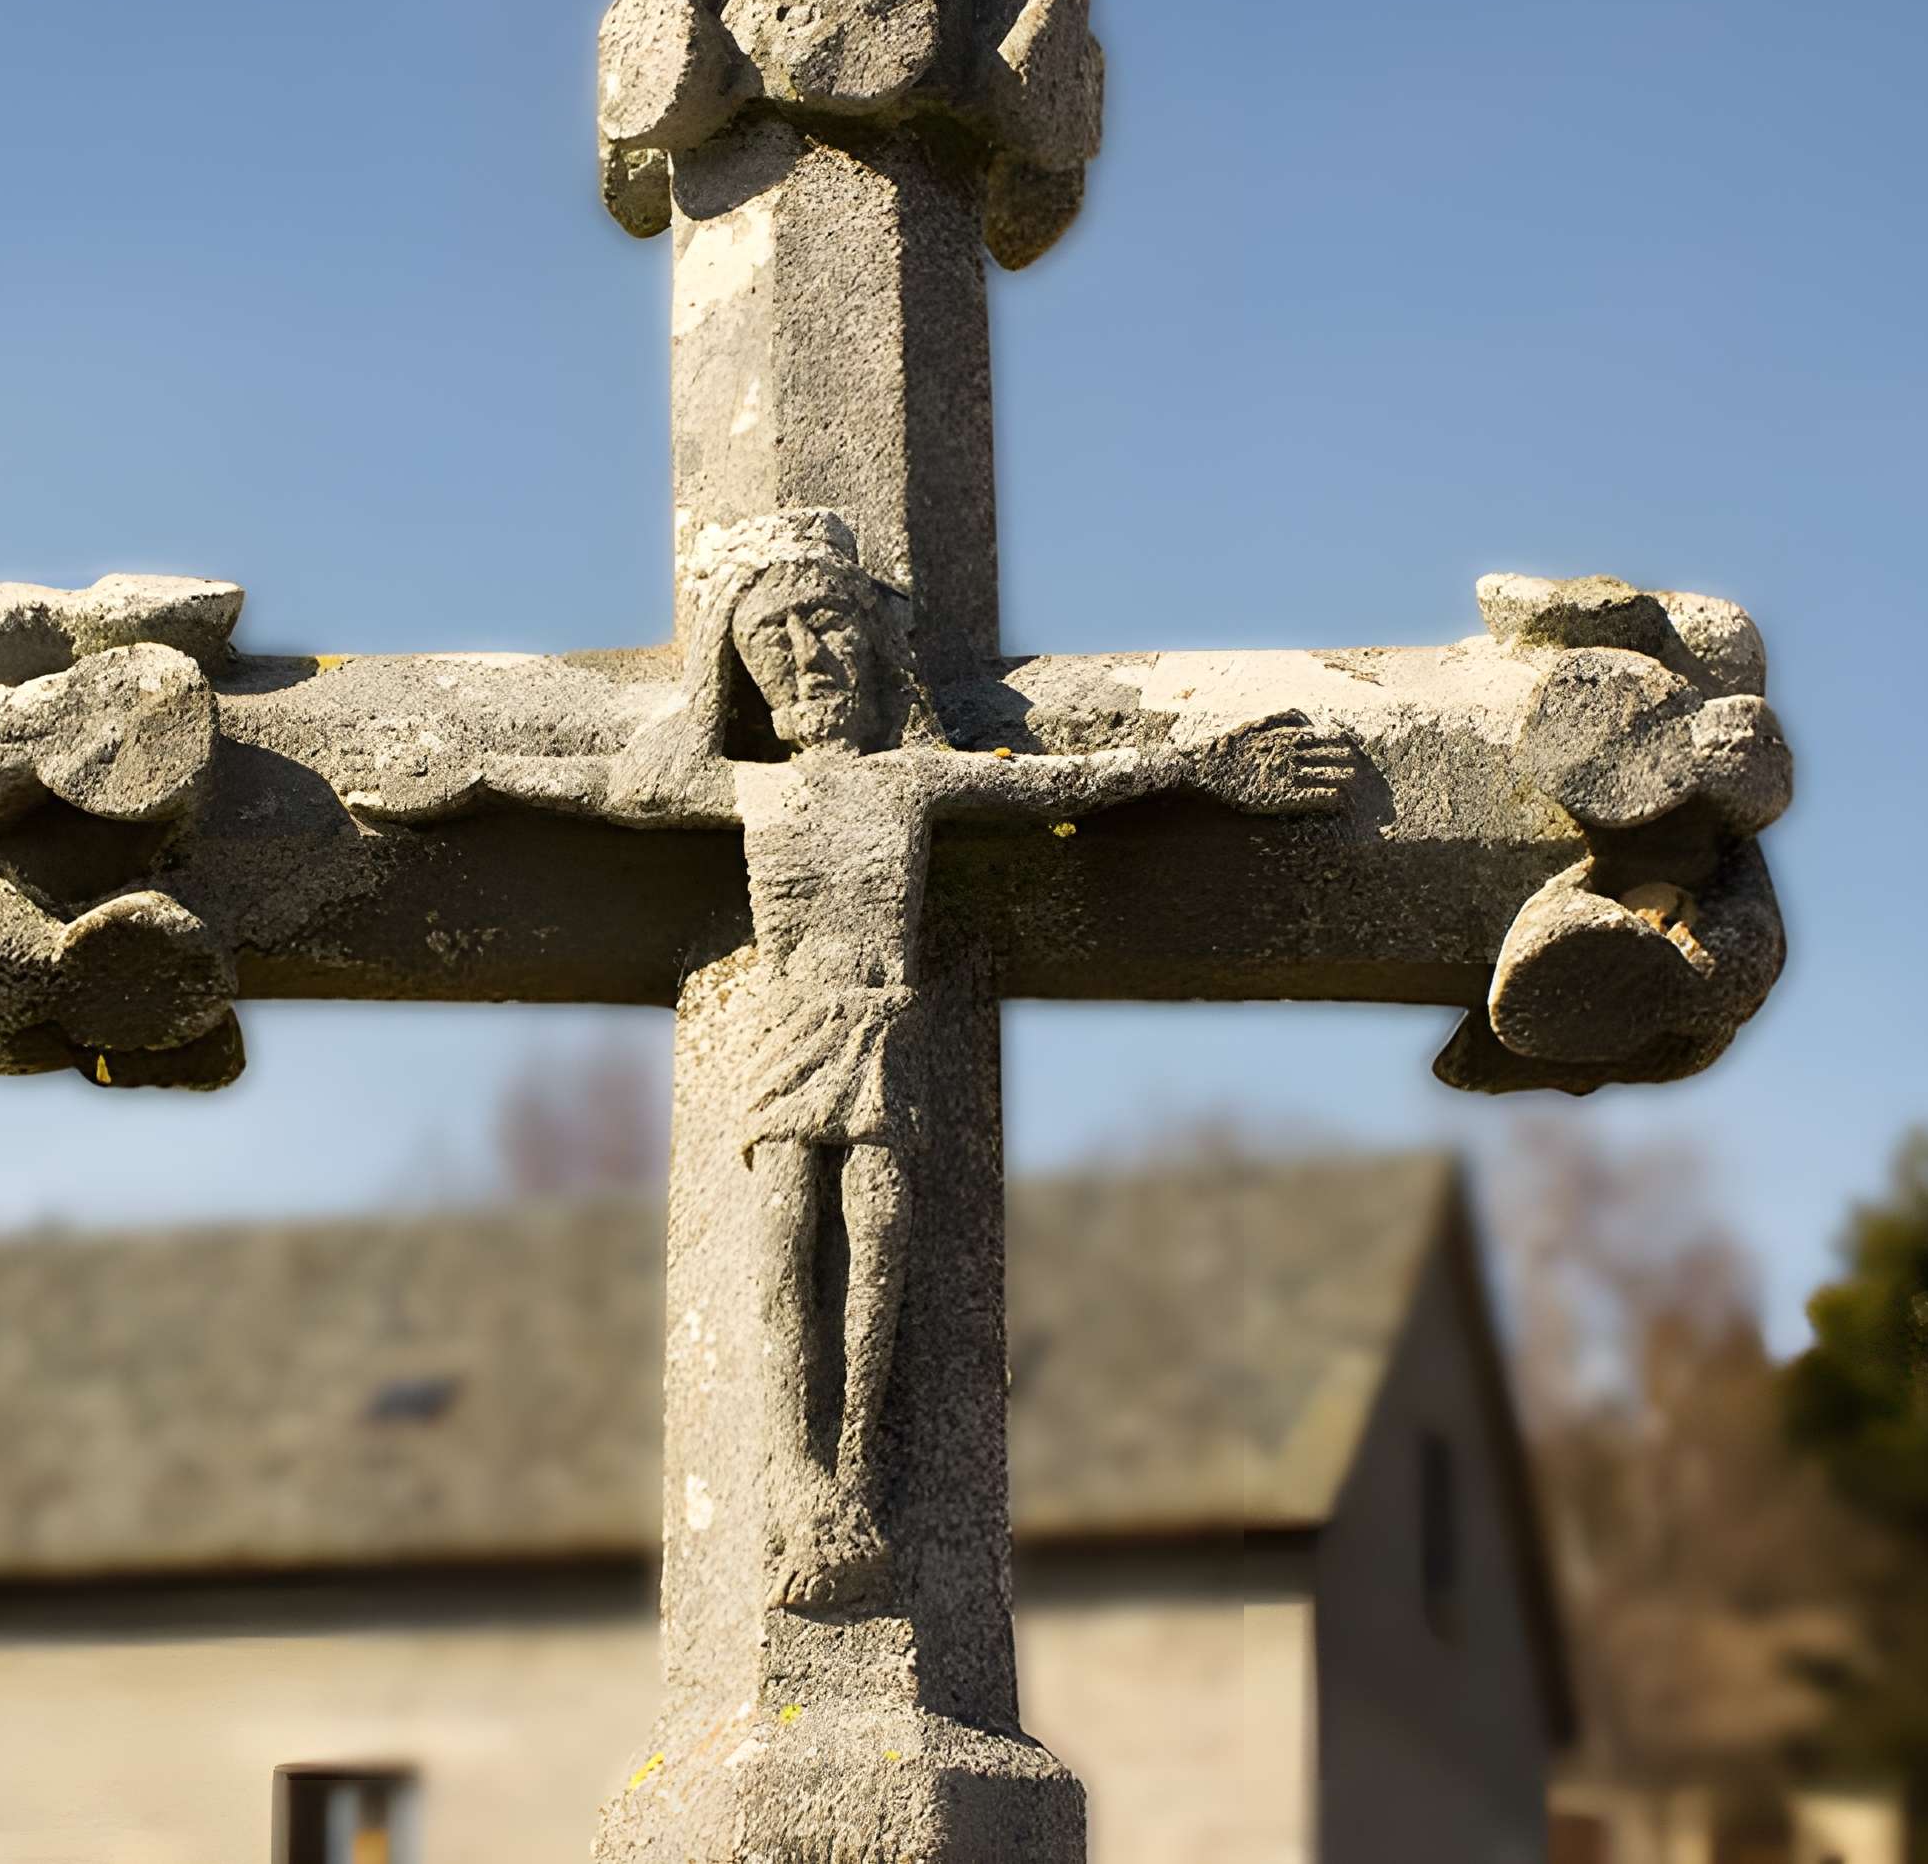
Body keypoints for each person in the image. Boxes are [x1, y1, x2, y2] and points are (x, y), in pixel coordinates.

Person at [350, 510, 1355, 1610]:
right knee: (785, 1238)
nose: (806, 655)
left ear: (873, 641)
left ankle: (857, 1472)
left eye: (825, 623)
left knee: (877, 1236)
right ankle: (795, 1478)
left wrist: (1197, 767)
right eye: (770, 637)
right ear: (739, 669)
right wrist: (474, 776)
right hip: (791, 1032)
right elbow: (615, 791)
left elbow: (1058, 785)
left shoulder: (911, 779)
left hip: (877, 1023)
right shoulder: (754, 787)